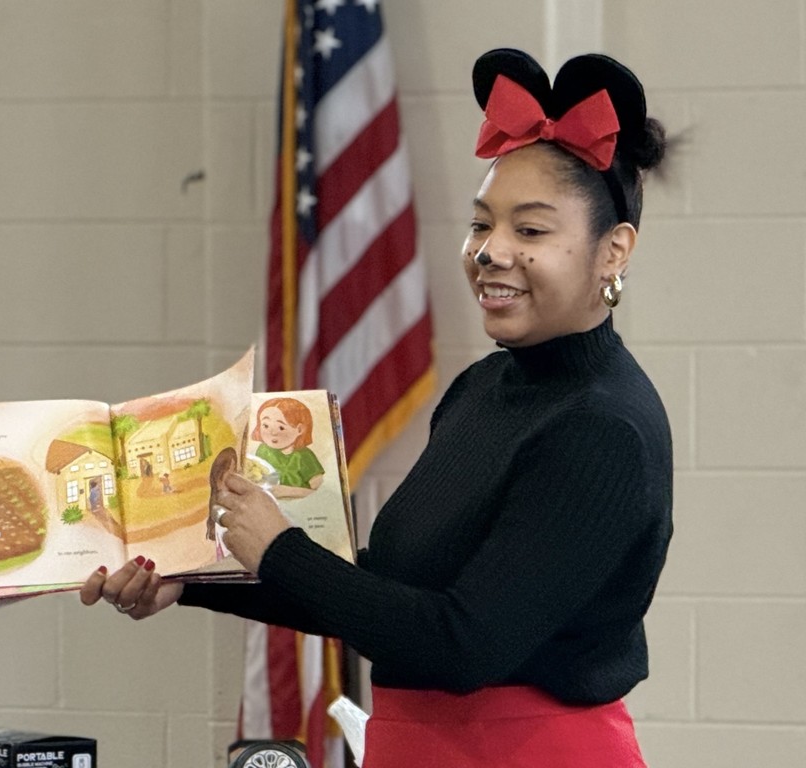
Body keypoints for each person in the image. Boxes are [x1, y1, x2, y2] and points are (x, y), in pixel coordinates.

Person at [80, 47, 673, 768]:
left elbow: (462, 644)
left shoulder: (602, 429)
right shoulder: (485, 389)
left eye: (531, 230)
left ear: (613, 251)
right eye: (482, 224)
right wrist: (193, 578)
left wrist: (282, 551)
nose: (490, 252)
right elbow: (386, 594)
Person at [251, 397, 324, 499]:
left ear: (299, 429)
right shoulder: (263, 450)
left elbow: (319, 492)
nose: (272, 432)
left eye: (281, 427)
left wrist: (288, 491)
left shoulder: (304, 456)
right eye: (266, 425)